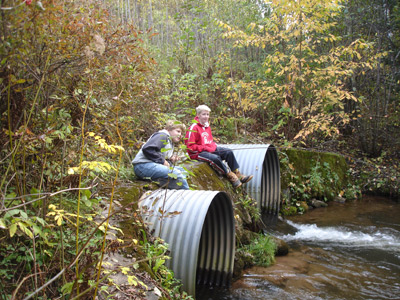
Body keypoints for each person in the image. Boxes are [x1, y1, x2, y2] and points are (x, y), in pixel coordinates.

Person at [185, 105, 253, 188]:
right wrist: (205, 148)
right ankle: (231, 176)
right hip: (197, 153)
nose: (206, 117)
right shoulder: (194, 127)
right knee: (215, 158)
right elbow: (190, 147)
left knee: (228, 152)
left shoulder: (207, 126)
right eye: (204, 114)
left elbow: (209, 141)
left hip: (208, 149)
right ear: (198, 115)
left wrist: (212, 146)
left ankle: (237, 173)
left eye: (207, 114)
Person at [132, 120, 189, 190]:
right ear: (169, 129)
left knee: (183, 171)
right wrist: (163, 161)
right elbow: (148, 149)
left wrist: (170, 158)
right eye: (178, 131)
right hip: (142, 166)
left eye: (182, 133)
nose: (180, 135)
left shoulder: (169, 140)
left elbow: (158, 153)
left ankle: (166, 187)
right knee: (176, 173)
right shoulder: (162, 136)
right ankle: (187, 196)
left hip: (150, 166)